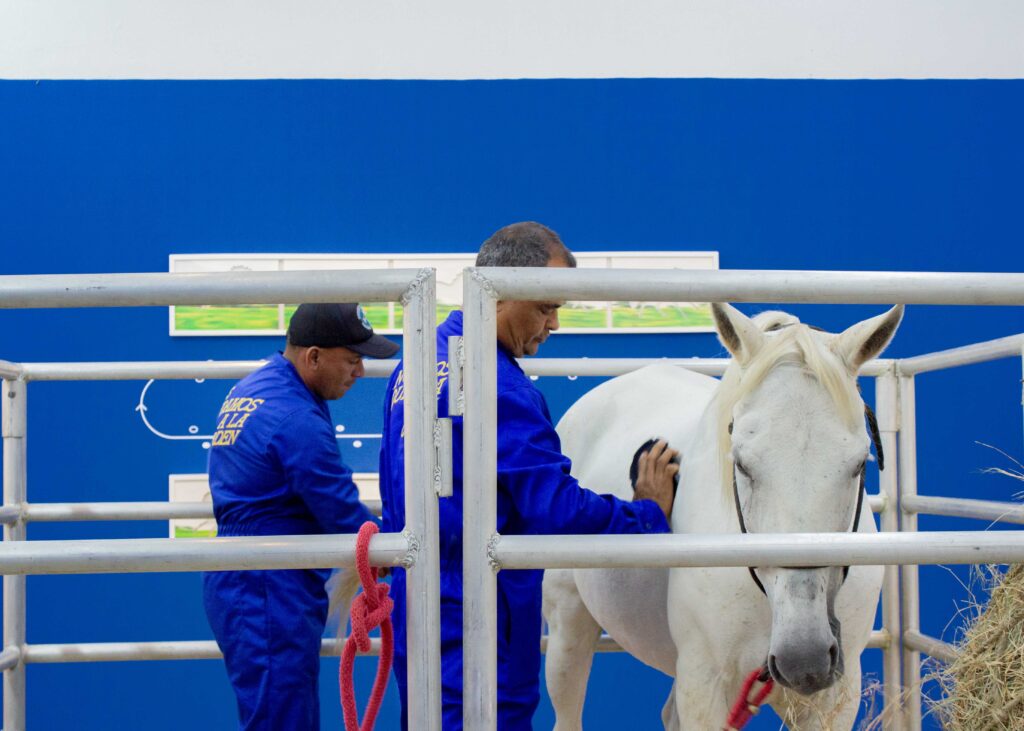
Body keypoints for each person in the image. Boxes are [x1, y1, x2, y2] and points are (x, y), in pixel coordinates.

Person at [379, 222, 679, 729]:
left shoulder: (416, 363)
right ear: (500, 292)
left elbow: (393, 481)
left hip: (420, 595)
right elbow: (556, 510)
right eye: (545, 307)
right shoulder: (500, 386)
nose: (554, 324)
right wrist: (645, 515)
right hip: (480, 606)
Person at [202, 302, 399, 731]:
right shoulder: (295, 417)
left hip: (250, 573)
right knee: (283, 717)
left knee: (276, 711)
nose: (360, 371)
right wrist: (390, 550)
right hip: (269, 581)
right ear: (313, 356)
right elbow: (336, 504)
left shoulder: (257, 387)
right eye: (352, 359)